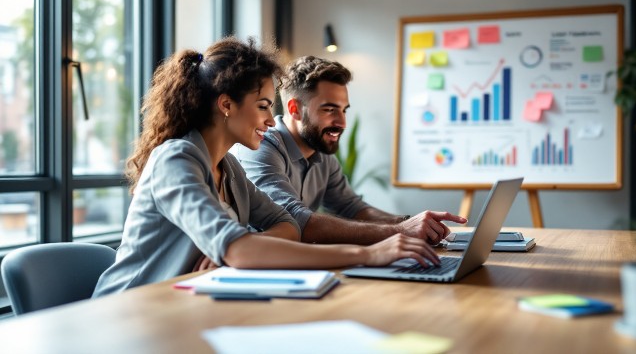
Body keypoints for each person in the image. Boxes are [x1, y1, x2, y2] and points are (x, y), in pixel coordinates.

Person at [92, 37, 439, 297]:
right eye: (262, 106)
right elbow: (242, 249)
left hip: (181, 304)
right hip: (129, 310)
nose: (271, 121)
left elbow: (287, 225)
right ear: (226, 104)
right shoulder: (175, 159)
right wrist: (367, 254)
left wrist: (233, 250)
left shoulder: (229, 169)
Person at [232, 56, 466, 246]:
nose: (342, 122)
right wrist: (400, 231)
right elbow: (296, 221)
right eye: (330, 109)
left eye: (344, 110)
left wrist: (410, 223)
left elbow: (353, 208)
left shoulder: (322, 153)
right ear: (295, 109)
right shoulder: (260, 147)